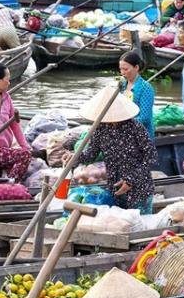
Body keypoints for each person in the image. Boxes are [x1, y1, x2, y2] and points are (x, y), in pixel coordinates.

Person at [65, 86, 158, 214]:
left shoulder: (136, 128)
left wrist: (131, 180)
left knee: (139, 223)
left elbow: (151, 157)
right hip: (115, 186)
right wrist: (74, 156)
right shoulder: (101, 129)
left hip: (139, 186)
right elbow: (90, 155)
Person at [119, 51, 155, 138]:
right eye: (121, 69)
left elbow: (144, 118)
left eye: (126, 69)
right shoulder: (122, 83)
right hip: (123, 131)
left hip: (141, 136)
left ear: (136, 67)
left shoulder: (145, 88)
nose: (122, 73)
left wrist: (122, 123)